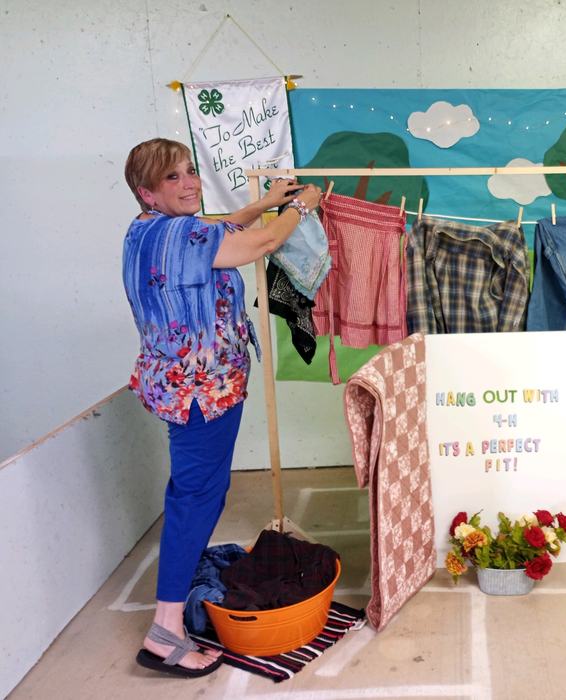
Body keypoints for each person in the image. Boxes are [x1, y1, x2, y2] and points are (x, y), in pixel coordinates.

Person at [122, 138, 322, 675]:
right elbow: (259, 245)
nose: (189, 183)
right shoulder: (177, 233)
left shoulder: (148, 229)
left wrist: (266, 199)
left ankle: (173, 600)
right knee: (197, 497)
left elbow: (225, 227)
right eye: (172, 179)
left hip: (189, 387)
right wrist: (303, 205)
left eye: (190, 172)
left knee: (197, 491)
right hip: (200, 393)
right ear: (147, 192)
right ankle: (165, 630)